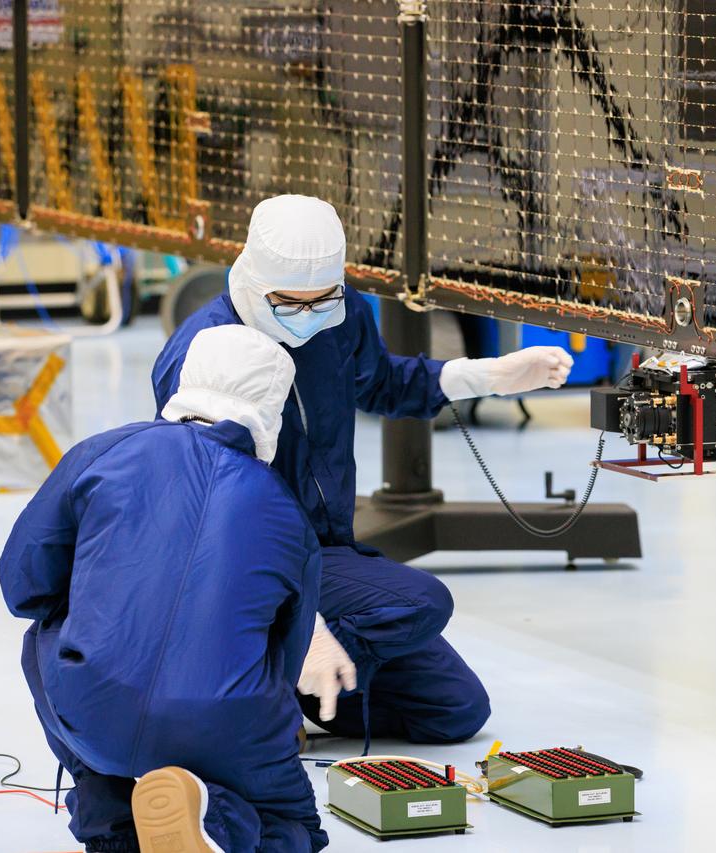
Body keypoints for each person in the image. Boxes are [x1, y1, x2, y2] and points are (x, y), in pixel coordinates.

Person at [152, 194, 573, 747]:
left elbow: (380, 382)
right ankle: (257, 685)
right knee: (423, 600)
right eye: (290, 304)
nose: (309, 317)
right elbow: (198, 512)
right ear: (253, 281)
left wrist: (488, 377)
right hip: (248, 563)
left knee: (453, 710)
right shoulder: (203, 355)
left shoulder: (340, 316)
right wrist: (306, 630)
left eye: (322, 300)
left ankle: (297, 681)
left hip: (327, 549)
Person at [0, 325, 338, 853]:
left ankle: (109, 819)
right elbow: (287, 660)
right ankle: (220, 823)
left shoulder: (102, 453)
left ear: (188, 379)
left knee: (41, 637)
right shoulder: (289, 515)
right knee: (297, 831)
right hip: (228, 727)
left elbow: (23, 588)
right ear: (274, 410)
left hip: (92, 709)